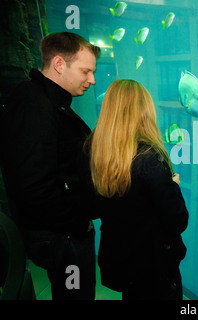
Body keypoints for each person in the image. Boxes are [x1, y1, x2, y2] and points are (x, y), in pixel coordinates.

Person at [0, 32, 100, 300]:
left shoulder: (45, 101)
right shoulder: (35, 104)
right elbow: (32, 184)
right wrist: (77, 225)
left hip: (62, 235)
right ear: (59, 64)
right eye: (85, 71)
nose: (92, 79)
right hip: (63, 238)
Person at [83, 79, 189, 300]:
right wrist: (173, 186)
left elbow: (93, 208)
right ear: (143, 112)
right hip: (155, 267)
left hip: (123, 261)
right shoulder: (148, 158)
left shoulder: (93, 151)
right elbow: (178, 220)